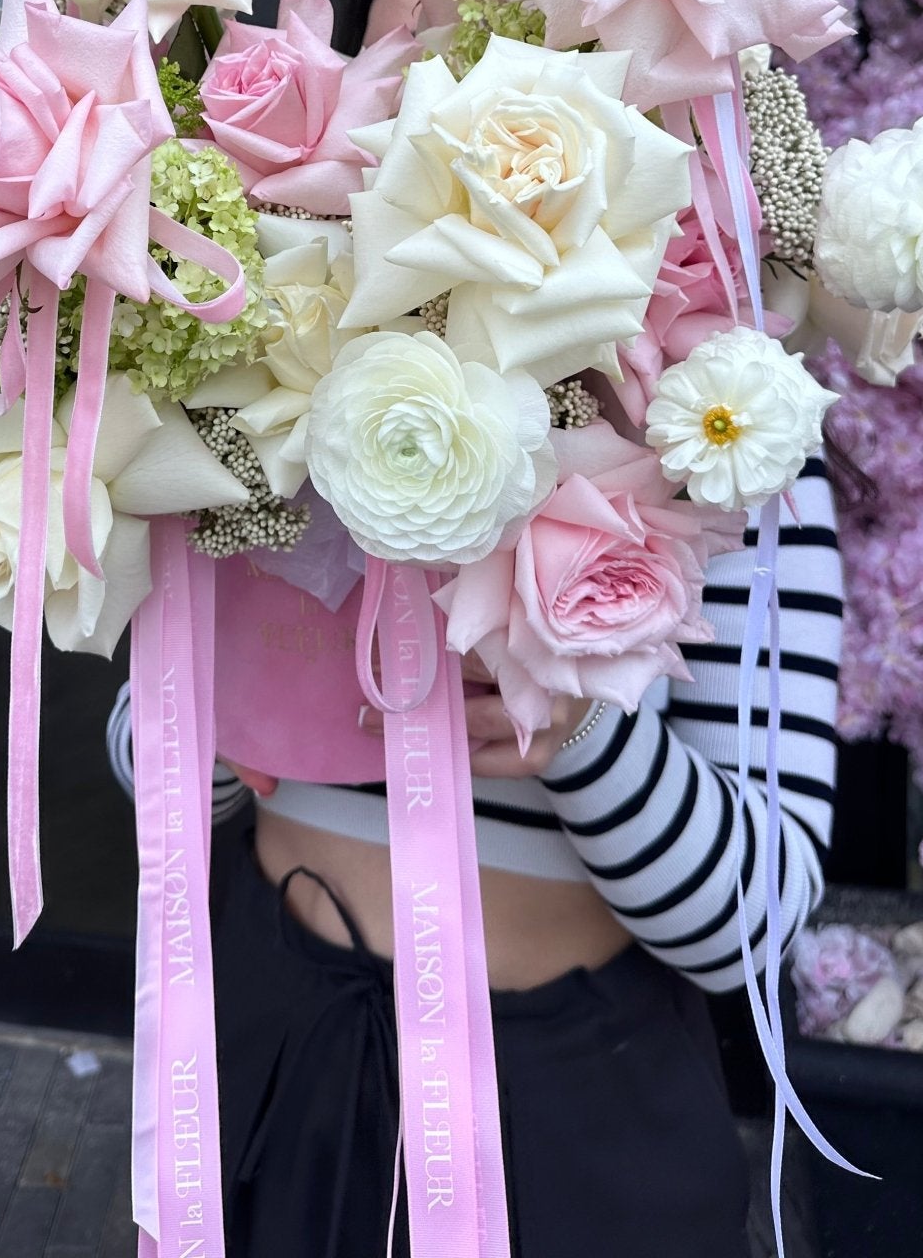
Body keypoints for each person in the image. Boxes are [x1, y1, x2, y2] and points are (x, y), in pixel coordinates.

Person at [108, 458, 842, 1258]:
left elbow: (755, 922)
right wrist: (236, 701)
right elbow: (142, 765)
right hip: (269, 1046)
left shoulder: (728, 435)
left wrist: (582, 728)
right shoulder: (279, 414)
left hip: (560, 1098)